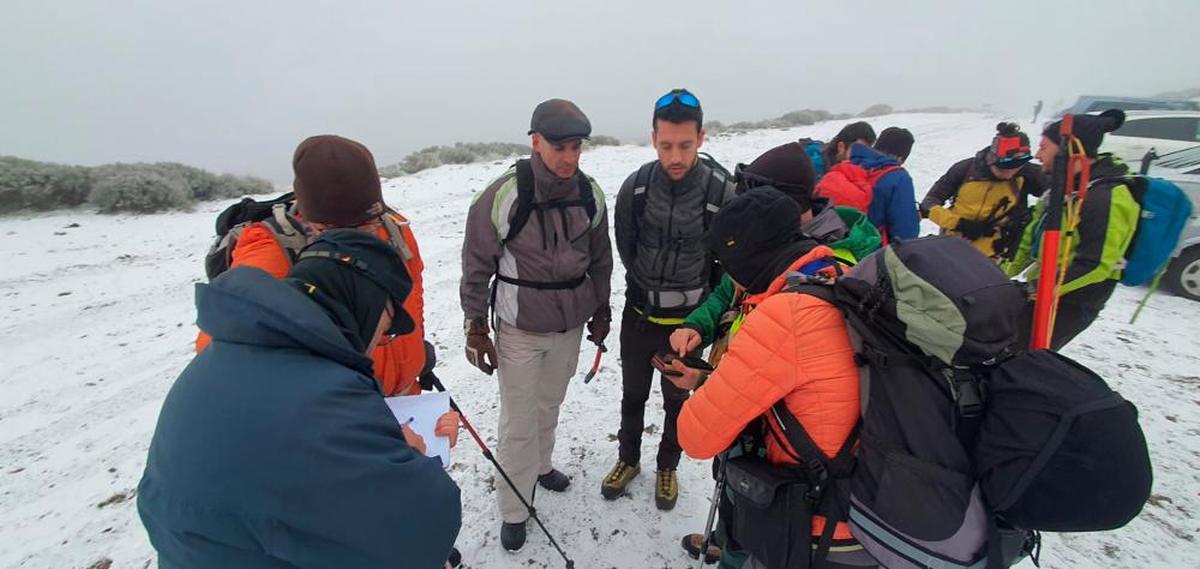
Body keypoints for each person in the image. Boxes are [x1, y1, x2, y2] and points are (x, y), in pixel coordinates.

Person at [139, 230, 462, 569]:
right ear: (364, 304)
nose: (381, 342)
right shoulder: (325, 396)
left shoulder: (214, 361)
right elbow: (423, 532)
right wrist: (411, 458)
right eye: (385, 329)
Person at [669, 142, 880, 563]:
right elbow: (791, 385)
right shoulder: (829, 273)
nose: (727, 277)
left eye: (728, 264)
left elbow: (694, 436)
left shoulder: (787, 313)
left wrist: (708, 387)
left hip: (810, 517)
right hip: (848, 491)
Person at [460, 98, 613, 551]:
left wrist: (600, 309)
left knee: (549, 405)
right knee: (518, 425)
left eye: (577, 148)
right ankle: (513, 507)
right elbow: (475, 265)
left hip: (567, 327)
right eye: (560, 147)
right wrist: (474, 326)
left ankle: (542, 467)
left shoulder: (591, 194)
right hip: (520, 329)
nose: (570, 158)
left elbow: (601, 258)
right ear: (536, 142)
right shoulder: (504, 195)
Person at [195, 135, 435, 398]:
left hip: (406, 400)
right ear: (310, 218)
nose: (355, 238)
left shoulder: (393, 228)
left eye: (365, 226)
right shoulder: (272, 250)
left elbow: (412, 296)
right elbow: (222, 353)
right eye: (332, 230)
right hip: (341, 411)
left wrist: (416, 354)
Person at [602, 88, 737, 510]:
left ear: (702, 137)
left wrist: (706, 322)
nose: (675, 157)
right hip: (640, 315)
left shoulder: (721, 192)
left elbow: (725, 267)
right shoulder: (637, 188)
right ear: (653, 139)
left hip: (689, 323)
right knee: (633, 394)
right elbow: (626, 246)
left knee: (677, 400)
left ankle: (667, 466)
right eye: (665, 146)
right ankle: (628, 459)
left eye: (685, 145)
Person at [1006, 109, 1139, 350]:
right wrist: (1001, 274)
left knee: (1021, 355)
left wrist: (1035, 288)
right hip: (1044, 288)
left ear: (1071, 150)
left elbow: (1095, 265)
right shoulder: (1063, 189)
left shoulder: (1106, 198)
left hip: (1075, 300)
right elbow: (1032, 238)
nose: (1037, 155)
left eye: (1044, 148)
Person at [920, 122, 1047, 260]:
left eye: (1016, 167)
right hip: (951, 248)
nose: (1009, 173)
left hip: (993, 255)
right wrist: (958, 224)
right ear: (992, 159)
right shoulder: (965, 170)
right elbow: (928, 204)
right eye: (1004, 167)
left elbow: (1060, 190)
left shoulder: (1027, 174)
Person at [815, 126, 918, 242]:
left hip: (837, 247)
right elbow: (906, 233)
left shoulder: (847, 165)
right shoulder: (899, 178)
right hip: (873, 253)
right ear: (901, 158)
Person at [798, 121, 877, 181]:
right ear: (841, 147)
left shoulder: (865, 168)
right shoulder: (815, 169)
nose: (865, 156)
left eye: (869, 151)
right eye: (859, 150)